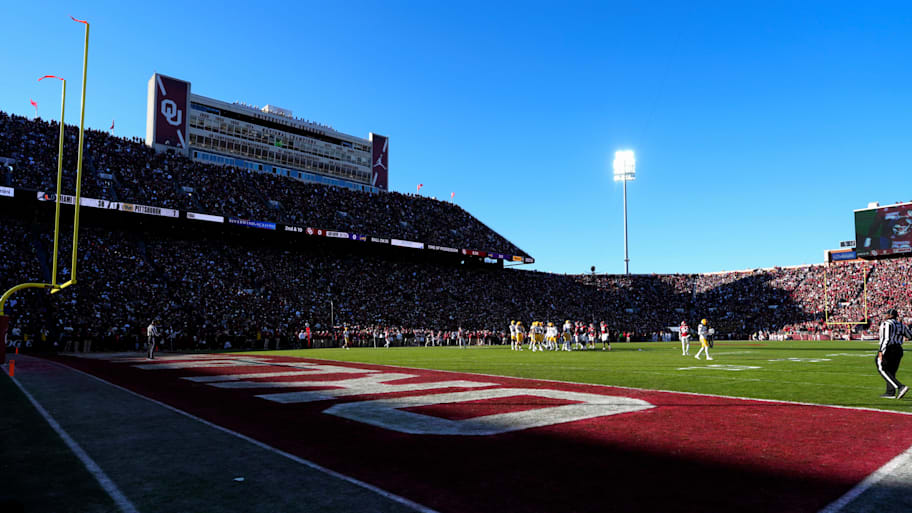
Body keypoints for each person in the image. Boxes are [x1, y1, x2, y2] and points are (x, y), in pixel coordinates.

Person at [877, 308, 911, 399]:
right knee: (891, 371)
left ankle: (900, 387)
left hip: (889, 349)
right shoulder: (901, 325)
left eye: (887, 314)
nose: (885, 315)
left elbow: (886, 339)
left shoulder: (886, 324)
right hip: (898, 349)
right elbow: (910, 335)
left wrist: (881, 351)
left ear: (890, 315)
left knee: (881, 368)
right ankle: (890, 392)